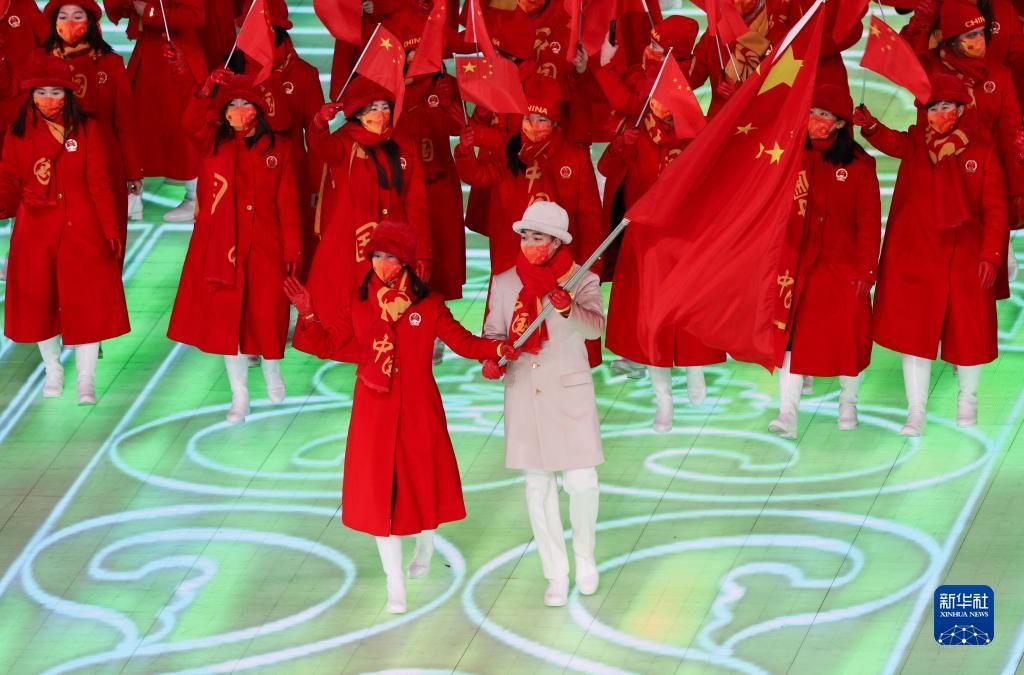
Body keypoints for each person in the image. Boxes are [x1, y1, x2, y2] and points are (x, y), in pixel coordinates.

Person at [283, 221, 519, 615]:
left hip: (417, 408)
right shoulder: (359, 302)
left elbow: (463, 342)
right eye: (376, 255)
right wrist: (307, 313)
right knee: (380, 497)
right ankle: (395, 583)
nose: (381, 263)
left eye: (390, 256)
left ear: (406, 262)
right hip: (373, 412)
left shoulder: (428, 306)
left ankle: (426, 544)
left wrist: (497, 348)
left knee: (421, 487)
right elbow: (328, 344)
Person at [854, 73, 1008, 435]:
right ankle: (916, 411)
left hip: (966, 258)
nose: (940, 114)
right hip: (918, 258)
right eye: (933, 108)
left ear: (961, 108)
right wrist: (871, 126)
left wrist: (991, 255)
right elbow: (891, 141)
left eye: (946, 106)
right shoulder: (915, 143)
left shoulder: (982, 150)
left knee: (969, 336)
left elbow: (996, 208)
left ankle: (967, 399)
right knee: (914, 337)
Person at [482, 201, 604, 607]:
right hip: (525, 392)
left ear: (556, 242)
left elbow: (596, 328)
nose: (529, 244)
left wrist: (568, 307)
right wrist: (493, 357)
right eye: (525, 236)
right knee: (538, 487)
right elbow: (493, 332)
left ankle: (585, 557)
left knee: (582, 482)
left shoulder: (582, 279)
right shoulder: (504, 282)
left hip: (569, 392)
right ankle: (555, 572)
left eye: (538, 237)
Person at [167, 74, 302, 423]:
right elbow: (189, 124)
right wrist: (204, 91)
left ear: (259, 109)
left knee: (267, 313)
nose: (239, 110)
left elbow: (288, 203)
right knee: (230, 322)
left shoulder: (278, 148)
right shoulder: (214, 142)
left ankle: (272, 369)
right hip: (222, 247)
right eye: (232, 104)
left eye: (245, 104)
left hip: (266, 245)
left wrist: (293, 250)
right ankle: (239, 394)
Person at [600, 60, 726, 431]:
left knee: (688, 312)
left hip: (685, 239)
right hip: (645, 242)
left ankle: (695, 369)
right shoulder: (635, 134)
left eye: (669, 98)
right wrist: (618, 148)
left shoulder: (696, 136)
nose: (661, 106)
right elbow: (607, 170)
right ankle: (663, 402)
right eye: (655, 99)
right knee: (650, 321)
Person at [0, 54, 129, 404]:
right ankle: (53, 369)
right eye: (41, 92)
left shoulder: (86, 129)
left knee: (87, 304)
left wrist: (110, 229)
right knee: (40, 303)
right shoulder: (18, 133)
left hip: (83, 230)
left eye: (55, 92)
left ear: (68, 94)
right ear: (30, 95)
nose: (48, 99)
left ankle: (86, 380)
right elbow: (9, 179)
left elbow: (100, 182)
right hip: (35, 230)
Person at [768, 84, 882, 439]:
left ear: (840, 123)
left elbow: (869, 223)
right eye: (812, 112)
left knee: (848, 340)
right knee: (790, 339)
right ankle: (787, 412)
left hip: (843, 269)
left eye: (824, 115)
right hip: (796, 268)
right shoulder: (788, 154)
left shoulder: (860, 165)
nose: (815, 120)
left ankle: (848, 403)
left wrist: (866, 270)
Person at [293, 76, 430, 363]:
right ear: (357, 114)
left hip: (393, 247)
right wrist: (318, 123)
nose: (380, 114)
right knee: (347, 303)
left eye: (385, 107)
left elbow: (416, 202)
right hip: (348, 244)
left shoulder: (405, 145)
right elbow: (319, 146)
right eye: (372, 108)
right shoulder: (344, 143)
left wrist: (423, 253)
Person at [43, 1, 144, 230]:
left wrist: (133, 170)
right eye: (63, 17)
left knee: (104, 231)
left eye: (77, 16)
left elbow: (125, 121)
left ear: (90, 22)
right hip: (54, 163)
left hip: (105, 163)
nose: (70, 22)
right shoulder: (41, 62)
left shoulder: (111, 64)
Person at [106, 0, 207, 222]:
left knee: (183, 128)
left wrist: (150, 11)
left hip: (176, 58)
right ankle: (133, 196)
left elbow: (195, 16)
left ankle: (196, 197)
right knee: (134, 127)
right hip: (147, 57)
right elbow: (120, 9)